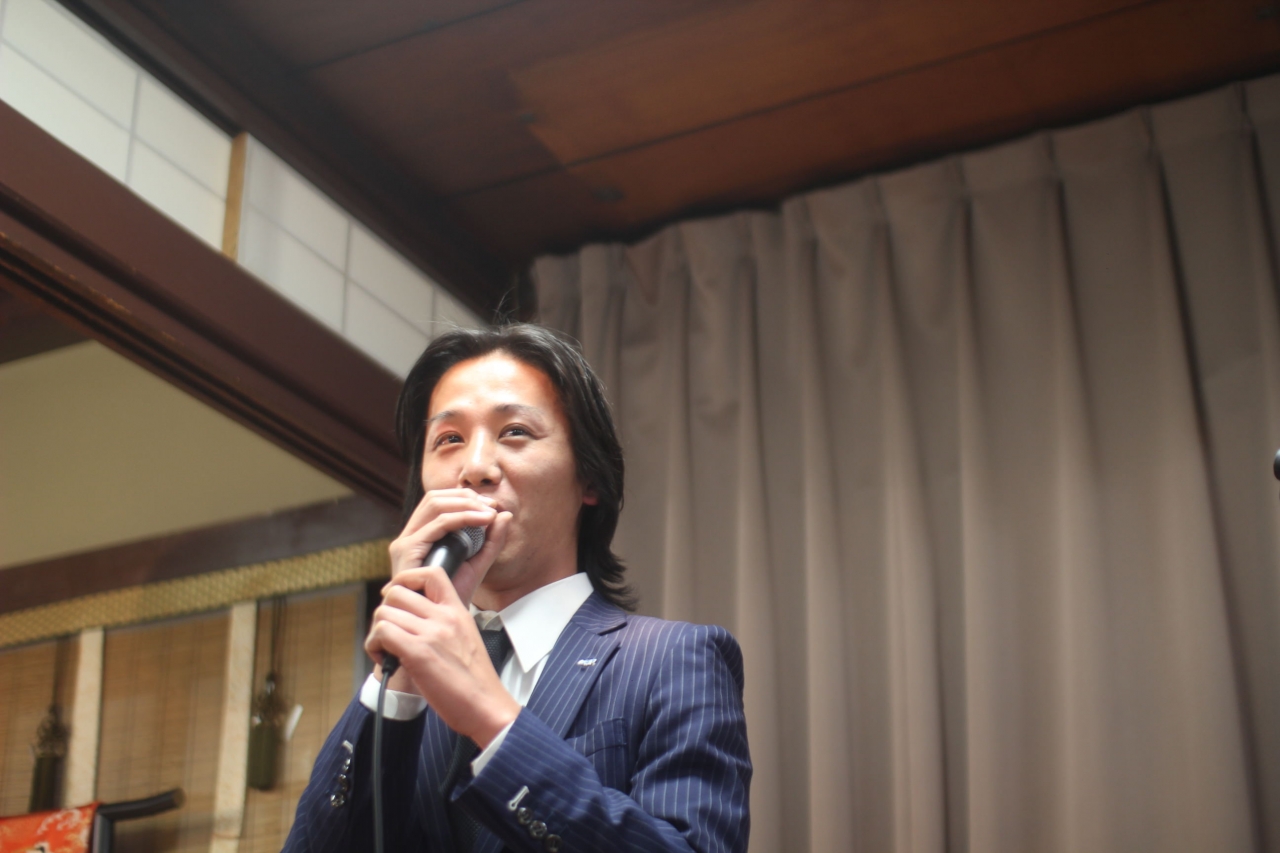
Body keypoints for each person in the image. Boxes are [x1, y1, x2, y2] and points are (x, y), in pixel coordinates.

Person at [282, 324, 751, 853]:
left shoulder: (673, 659)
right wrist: (399, 682)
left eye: (514, 432)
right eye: (449, 440)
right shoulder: (406, 682)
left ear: (589, 478)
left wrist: (493, 719)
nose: (475, 468)